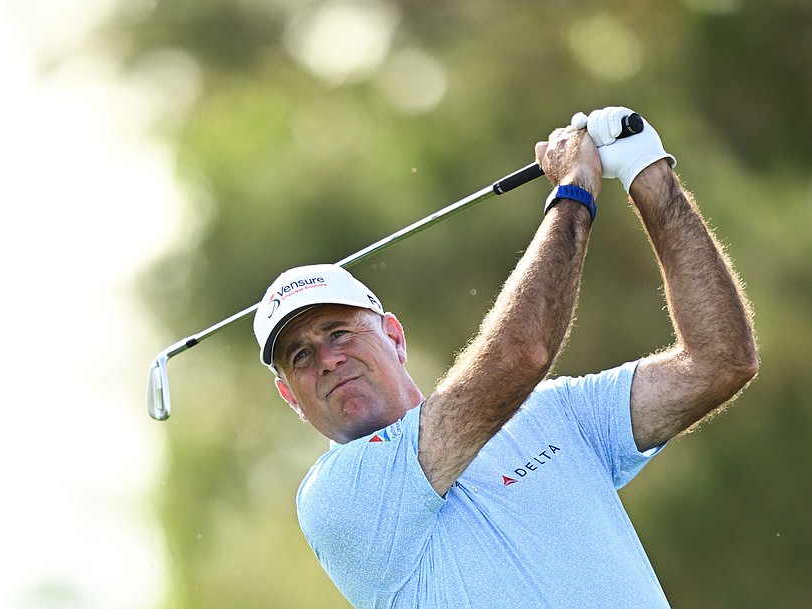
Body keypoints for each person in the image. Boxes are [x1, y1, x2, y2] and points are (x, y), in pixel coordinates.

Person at [251, 106, 758, 608]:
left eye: (338, 333)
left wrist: (647, 171)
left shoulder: (552, 414)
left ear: (395, 337)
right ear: (289, 397)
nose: (327, 360)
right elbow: (520, 354)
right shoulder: (336, 498)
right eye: (299, 355)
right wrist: (574, 193)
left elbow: (720, 361)